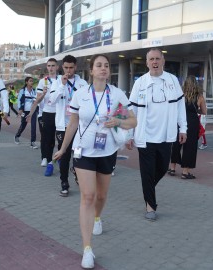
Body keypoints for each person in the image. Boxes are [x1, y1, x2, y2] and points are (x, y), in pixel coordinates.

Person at [53, 54, 137, 269]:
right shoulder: (80, 94)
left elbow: (133, 120)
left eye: (106, 66)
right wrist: (63, 148)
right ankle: (87, 249)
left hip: (107, 151)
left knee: (101, 195)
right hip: (83, 151)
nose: (103, 69)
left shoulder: (117, 93)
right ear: (91, 71)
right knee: (87, 196)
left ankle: (97, 217)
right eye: (98, 65)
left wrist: (118, 120)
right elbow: (72, 123)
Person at [126, 47, 187, 221]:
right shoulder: (140, 83)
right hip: (144, 136)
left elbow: (181, 107)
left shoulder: (173, 81)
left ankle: (148, 189)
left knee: (161, 168)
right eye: (151, 59)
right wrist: (129, 134)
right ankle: (150, 206)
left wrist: (183, 128)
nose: (154, 62)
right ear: (146, 63)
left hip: (166, 136)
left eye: (157, 59)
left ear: (163, 61)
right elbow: (132, 111)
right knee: (146, 172)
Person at [49, 55, 88, 196]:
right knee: (63, 154)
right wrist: (62, 85)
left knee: (79, 154)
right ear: (62, 67)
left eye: (71, 67)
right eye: (66, 67)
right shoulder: (57, 82)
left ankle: (77, 172)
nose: (69, 70)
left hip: (79, 125)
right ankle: (64, 182)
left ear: (75, 67)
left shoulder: (82, 83)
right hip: (62, 125)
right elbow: (52, 101)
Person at [169, 75, 207, 179]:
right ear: (196, 84)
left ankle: (172, 169)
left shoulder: (180, 95)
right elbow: (204, 111)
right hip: (192, 122)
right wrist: (195, 110)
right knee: (190, 146)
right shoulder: (199, 97)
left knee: (176, 144)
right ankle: (185, 172)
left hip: (180, 122)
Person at [26, 58, 60, 176]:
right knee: (48, 139)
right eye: (49, 66)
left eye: (53, 66)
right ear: (47, 67)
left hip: (60, 114)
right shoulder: (43, 81)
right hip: (47, 113)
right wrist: (44, 94)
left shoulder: (61, 80)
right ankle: (48, 161)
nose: (51, 68)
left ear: (57, 67)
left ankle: (60, 158)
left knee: (61, 138)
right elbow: (38, 100)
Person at [14, 77, 39, 148]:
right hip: (24, 110)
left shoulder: (34, 91)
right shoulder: (23, 91)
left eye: (32, 81)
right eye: (30, 81)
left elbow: (36, 100)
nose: (32, 82)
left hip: (33, 111)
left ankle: (32, 142)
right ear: (26, 82)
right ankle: (17, 136)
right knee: (23, 124)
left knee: (33, 126)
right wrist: (20, 109)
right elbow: (19, 100)